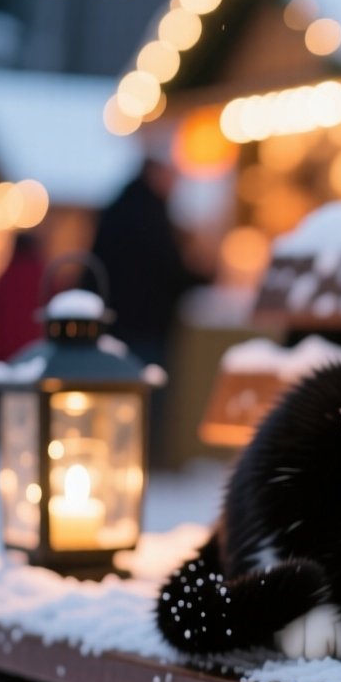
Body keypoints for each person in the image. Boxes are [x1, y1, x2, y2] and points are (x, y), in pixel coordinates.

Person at [87, 159, 202, 465]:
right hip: (147, 324)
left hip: (113, 323)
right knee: (145, 396)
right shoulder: (151, 214)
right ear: (155, 174)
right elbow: (169, 270)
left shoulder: (116, 208)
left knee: (115, 397)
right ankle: (138, 459)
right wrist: (205, 275)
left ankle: (111, 456)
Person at [0, 232, 45, 441]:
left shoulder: (6, 276)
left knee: (1, 402)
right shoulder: (43, 276)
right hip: (35, 354)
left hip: (2, 353)